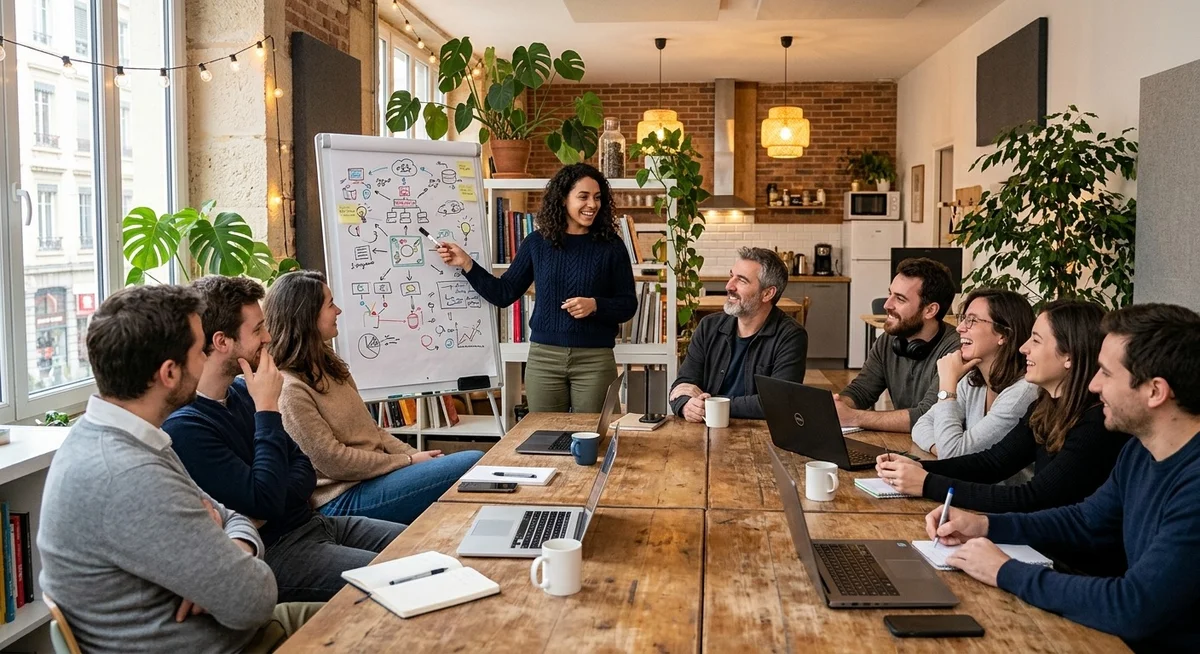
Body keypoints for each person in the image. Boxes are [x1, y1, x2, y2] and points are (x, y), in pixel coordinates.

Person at [38, 285, 321, 653]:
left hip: (230, 634)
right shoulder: (128, 473)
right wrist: (230, 550)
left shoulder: (122, 437)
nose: (207, 361)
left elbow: (228, 515)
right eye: (199, 351)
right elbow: (254, 600)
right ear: (169, 372)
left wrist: (234, 543)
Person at [926, 303, 1200, 652]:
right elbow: (1084, 520)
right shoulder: (1140, 451)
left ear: (1155, 391)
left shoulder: (1193, 484)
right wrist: (985, 525)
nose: (1095, 385)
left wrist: (1004, 571)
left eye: (1106, 373)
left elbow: (1133, 606)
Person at [165, 276, 406, 603]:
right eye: (257, 330)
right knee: (405, 578)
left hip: (317, 524)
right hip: (279, 552)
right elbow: (264, 499)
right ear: (222, 342)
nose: (267, 337)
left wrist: (276, 497)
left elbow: (303, 470)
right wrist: (266, 409)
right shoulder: (187, 426)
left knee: (428, 546)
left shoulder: (241, 392)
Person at [875, 299, 1130, 575]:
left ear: (1069, 356)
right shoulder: (1046, 405)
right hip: (1040, 551)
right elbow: (992, 462)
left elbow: (1033, 498)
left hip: (1074, 569)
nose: (1023, 348)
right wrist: (917, 467)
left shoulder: (1096, 426)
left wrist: (927, 483)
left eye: (1036, 340)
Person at [265, 270, 484, 526]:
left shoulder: (331, 368)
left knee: (460, 470)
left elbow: (374, 431)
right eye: (330, 304)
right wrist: (408, 462)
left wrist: (417, 460)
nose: (338, 311)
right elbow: (333, 461)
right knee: (472, 461)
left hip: (376, 479)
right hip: (342, 498)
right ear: (306, 316)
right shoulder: (290, 389)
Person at [437, 163, 637, 413]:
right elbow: (504, 293)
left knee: (595, 440)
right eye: (583, 196)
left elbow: (628, 304)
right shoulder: (536, 244)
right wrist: (466, 263)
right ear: (564, 199)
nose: (592, 204)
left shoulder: (611, 246)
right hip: (544, 359)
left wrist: (595, 305)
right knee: (543, 438)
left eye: (597, 198)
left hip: (595, 360)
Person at [669, 247, 808, 421]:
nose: (729, 286)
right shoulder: (708, 327)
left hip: (758, 437)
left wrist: (712, 404)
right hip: (705, 431)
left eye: (741, 280)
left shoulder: (790, 336)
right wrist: (686, 405)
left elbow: (779, 402)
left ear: (767, 293)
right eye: (731, 276)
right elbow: (682, 385)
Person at [835, 258, 962, 432]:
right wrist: (837, 406)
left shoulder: (956, 349)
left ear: (930, 310)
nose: (887, 304)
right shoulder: (888, 340)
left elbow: (928, 415)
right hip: (904, 445)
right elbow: (861, 391)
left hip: (939, 450)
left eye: (900, 299)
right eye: (890, 294)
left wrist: (854, 417)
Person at [910, 288, 1039, 458]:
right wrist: (942, 447)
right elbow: (922, 425)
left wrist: (948, 386)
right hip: (973, 483)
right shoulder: (973, 382)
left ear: (1004, 334)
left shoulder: (1022, 394)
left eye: (972, 320)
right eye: (963, 319)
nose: (960, 328)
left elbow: (953, 454)